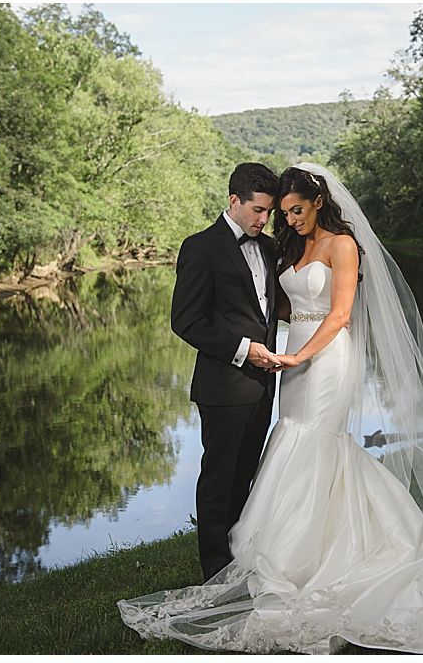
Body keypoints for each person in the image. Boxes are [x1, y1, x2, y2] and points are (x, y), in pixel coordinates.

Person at [118, 164, 423, 654]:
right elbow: (236, 311)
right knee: (263, 456)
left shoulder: (329, 245)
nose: (280, 220)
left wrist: (302, 348)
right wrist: (264, 343)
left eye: (289, 211)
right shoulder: (238, 246)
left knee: (310, 446)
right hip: (267, 367)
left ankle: (311, 554)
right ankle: (236, 563)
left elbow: (337, 312)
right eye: (272, 211)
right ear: (235, 201)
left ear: (318, 201)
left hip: (320, 360)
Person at [169, 161, 280, 581]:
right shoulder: (200, 247)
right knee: (219, 480)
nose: (263, 219)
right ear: (234, 200)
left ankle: (240, 558)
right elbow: (187, 321)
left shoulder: (268, 247)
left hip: (263, 386)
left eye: (269, 211)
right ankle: (215, 571)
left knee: (245, 476)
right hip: (223, 385)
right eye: (257, 210)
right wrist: (244, 350)